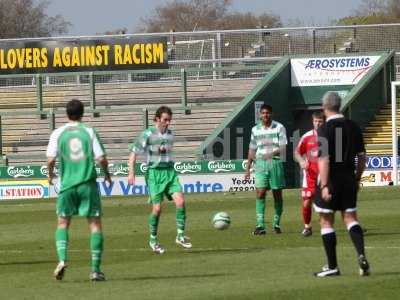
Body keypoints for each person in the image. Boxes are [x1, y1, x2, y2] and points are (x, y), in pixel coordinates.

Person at [47, 99, 112, 281]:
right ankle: (95, 270)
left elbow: (51, 160)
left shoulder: (58, 133)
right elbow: (101, 159)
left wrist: (50, 175)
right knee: (94, 225)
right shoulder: (89, 132)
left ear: (66, 114)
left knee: (62, 223)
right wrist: (107, 174)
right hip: (87, 185)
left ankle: (62, 259)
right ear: (83, 113)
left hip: (67, 186)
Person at [313, 92, 369, 277]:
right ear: (340, 105)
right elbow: (362, 158)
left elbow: (324, 160)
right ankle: (361, 255)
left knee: (326, 221)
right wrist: (357, 178)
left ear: (324, 107)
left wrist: (325, 185)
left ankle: (333, 267)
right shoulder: (353, 126)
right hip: (349, 179)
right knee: (351, 218)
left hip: (332, 180)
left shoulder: (324, 129)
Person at [127, 106, 192, 254]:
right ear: (157, 119)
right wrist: (131, 173)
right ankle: (153, 240)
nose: (168, 123)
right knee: (157, 209)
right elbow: (133, 153)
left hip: (170, 172)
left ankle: (180, 235)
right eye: (165, 120)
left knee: (181, 202)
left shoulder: (170, 135)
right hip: (154, 174)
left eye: (169, 120)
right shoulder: (147, 134)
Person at [245, 104, 287, 235]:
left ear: (271, 114)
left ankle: (276, 224)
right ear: (259, 114)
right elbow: (252, 148)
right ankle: (260, 226)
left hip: (275, 162)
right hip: (260, 163)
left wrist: (271, 154)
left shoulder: (279, 127)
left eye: (267, 113)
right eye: (263, 113)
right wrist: (248, 168)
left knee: (277, 194)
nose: (265, 115)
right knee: (260, 193)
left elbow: (283, 147)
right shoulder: (255, 129)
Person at [294, 111, 324, 237]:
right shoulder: (306, 137)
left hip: (325, 176)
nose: (317, 123)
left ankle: (352, 225)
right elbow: (296, 152)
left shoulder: (332, 136)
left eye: (320, 121)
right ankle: (307, 227)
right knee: (306, 202)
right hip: (310, 176)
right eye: (315, 121)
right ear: (312, 122)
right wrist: (301, 161)